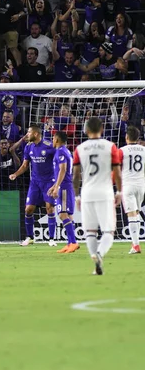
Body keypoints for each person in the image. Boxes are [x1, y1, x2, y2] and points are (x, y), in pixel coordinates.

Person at [72, 117, 122, 275]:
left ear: (86, 130)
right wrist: (119, 192)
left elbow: (75, 176)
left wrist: (76, 197)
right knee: (108, 232)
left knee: (90, 232)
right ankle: (99, 255)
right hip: (105, 192)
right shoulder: (110, 146)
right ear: (102, 129)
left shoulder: (80, 149)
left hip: (87, 193)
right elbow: (118, 173)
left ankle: (96, 263)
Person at [9, 125, 57, 247]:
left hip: (49, 182)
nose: (27, 135)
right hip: (35, 182)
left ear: (36, 134)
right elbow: (25, 165)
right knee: (28, 209)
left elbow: (59, 160)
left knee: (49, 208)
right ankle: (30, 237)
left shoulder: (49, 145)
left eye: (29, 132)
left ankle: (51, 239)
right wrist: (15, 174)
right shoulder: (28, 147)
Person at [46, 132, 80, 253]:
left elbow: (63, 169)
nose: (52, 140)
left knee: (62, 214)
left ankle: (73, 242)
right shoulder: (65, 151)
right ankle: (70, 243)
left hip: (64, 186)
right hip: (65, 185)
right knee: (69, 215)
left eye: (53, 138)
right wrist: (54, 185)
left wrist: (57, 187)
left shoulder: (60, 151)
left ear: (57, 139)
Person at [118, 125, 145, 254]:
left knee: (131, 214)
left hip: (128, 185)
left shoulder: (122, 150)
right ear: (138, 138)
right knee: (136, 213)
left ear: (127, 137)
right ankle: (136, 243)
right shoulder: (144, 150)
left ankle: (135, 245)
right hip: (141, 186)